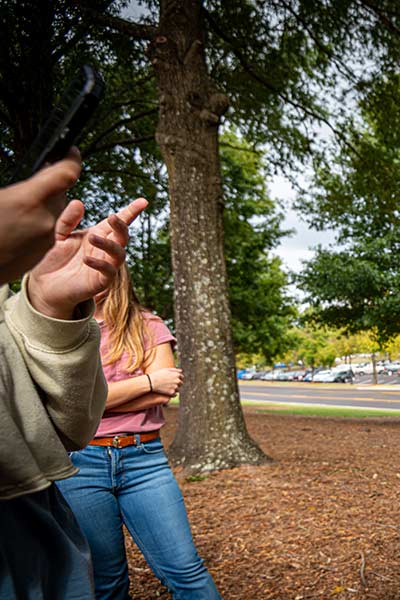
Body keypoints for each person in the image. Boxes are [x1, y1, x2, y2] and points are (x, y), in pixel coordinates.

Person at [0, 148, 148, 599]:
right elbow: (154, 385)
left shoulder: (148, 326)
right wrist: (147, 384)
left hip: (34, 515)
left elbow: (62, 425)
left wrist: (49, 307)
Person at [57, 263, 221, 600]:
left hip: (144, 461)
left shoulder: (148, 325)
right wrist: (146, 381)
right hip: (80, 463)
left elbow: (165, 390)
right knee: (106, 581)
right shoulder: (61, 330)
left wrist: (93, 400)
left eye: (99, 270)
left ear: (115, 274)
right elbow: (66, 404)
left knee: (187, 571)